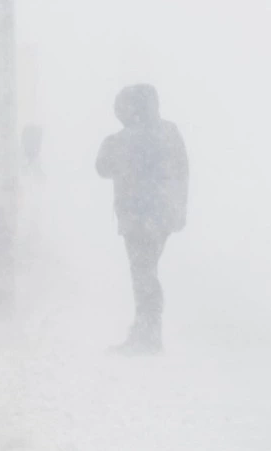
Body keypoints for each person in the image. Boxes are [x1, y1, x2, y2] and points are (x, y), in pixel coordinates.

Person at [95, 84, 189, 354]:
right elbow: (183, 170)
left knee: (143, 274)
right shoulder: (169, 132)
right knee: (146, 272)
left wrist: (111, 144)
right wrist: (179, 210)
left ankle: (147, 334)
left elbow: (102, 167)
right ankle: (146, 330)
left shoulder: (125, 139)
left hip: (138, 216)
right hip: (161, 217)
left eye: (122, 107)